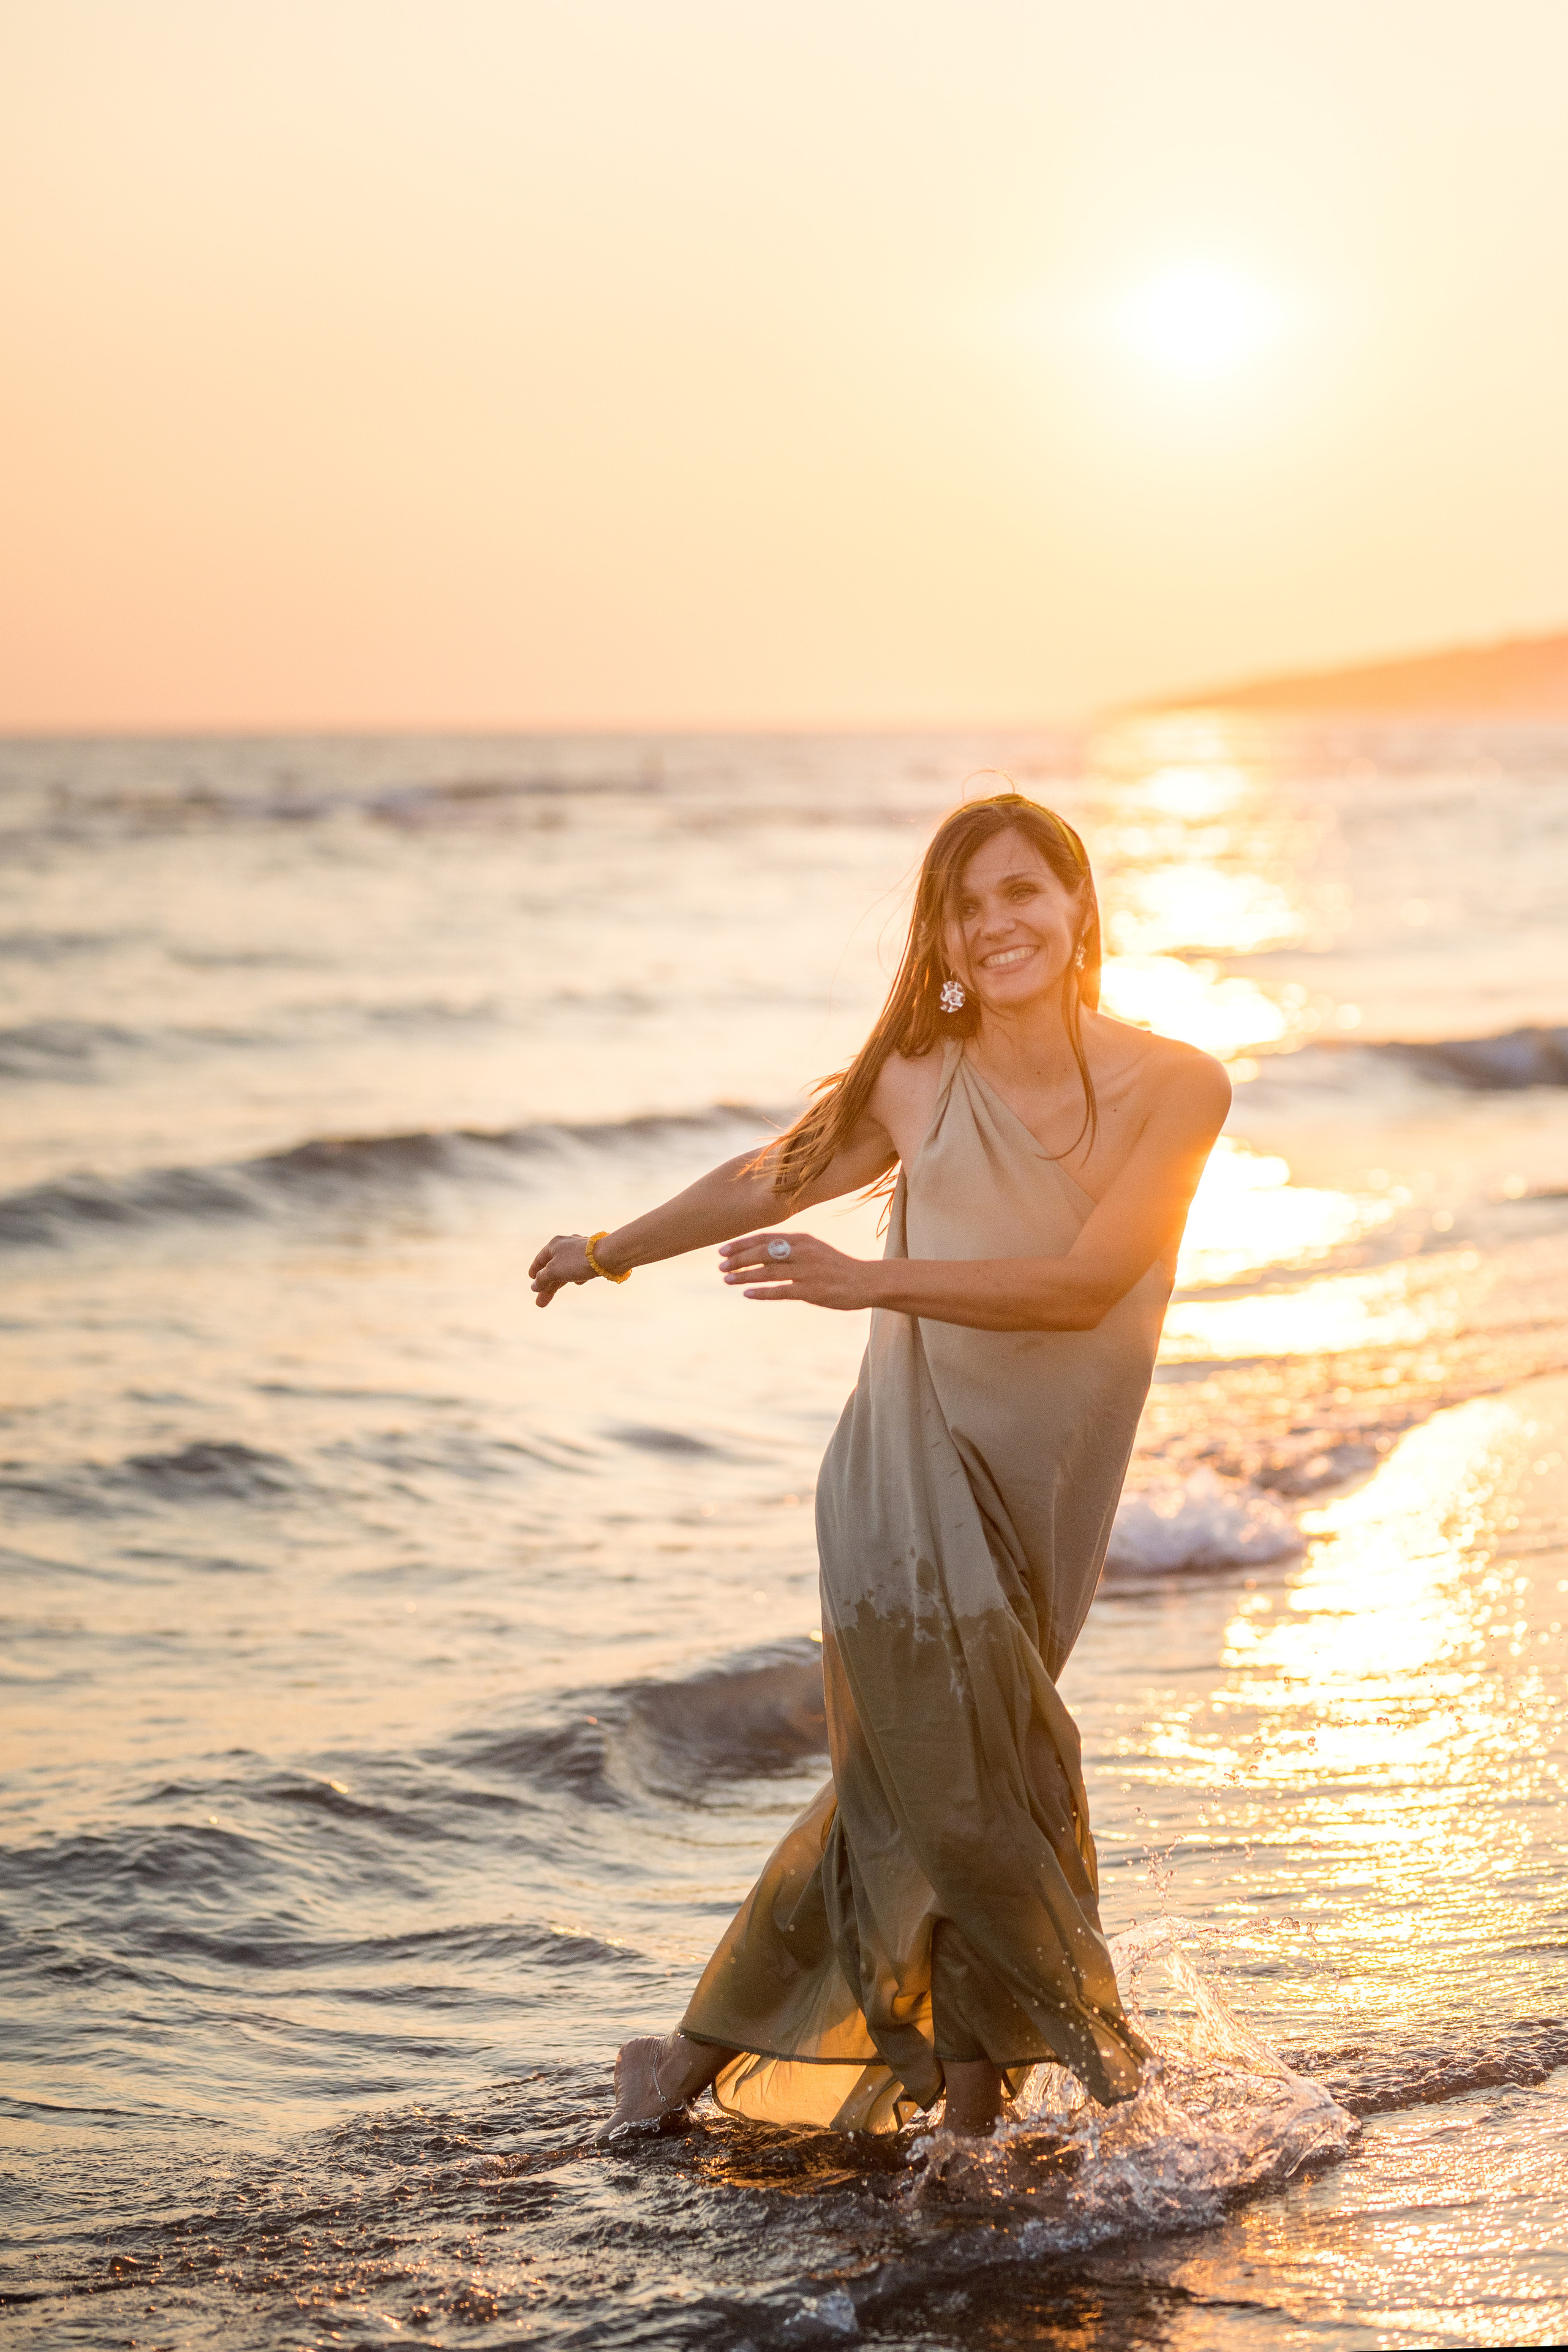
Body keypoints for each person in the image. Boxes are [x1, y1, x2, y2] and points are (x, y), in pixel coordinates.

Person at [529, 792, 1229, 2139]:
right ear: (942, 942)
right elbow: (774, 1173)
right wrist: (608, 1247)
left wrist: (869, 1281)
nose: (994, 924)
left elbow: (1086, 1286)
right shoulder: (916, 1076)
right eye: (963, 909)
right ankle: (1017, 2109)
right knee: (971, 1792)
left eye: (1020, 892)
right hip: (902, 1484)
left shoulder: (1178, 1084)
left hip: (1046, 1498)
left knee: (919, 1792)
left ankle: (677, 2070)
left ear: (1077, 904)